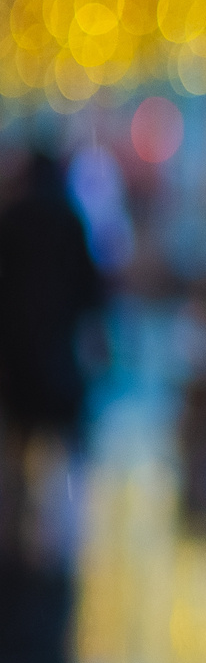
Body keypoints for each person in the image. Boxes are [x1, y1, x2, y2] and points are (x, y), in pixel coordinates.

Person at [0, 146, 107, 570]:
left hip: (17, 356)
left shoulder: (11, 218)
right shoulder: (70, 220)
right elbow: (91, 292)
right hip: (59, 354)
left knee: (17, 441)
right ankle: (53, 541)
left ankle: (13, 530)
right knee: (62, 447)